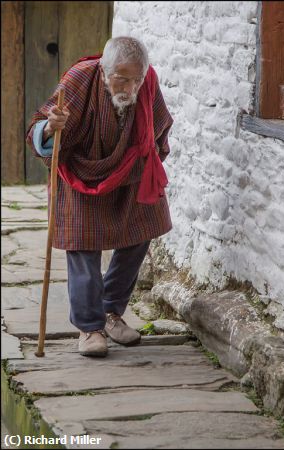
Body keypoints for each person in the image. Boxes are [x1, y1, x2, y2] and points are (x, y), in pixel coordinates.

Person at [26, 36, 174, 357]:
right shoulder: (80, 78)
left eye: (136, 79)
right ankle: (89, 327)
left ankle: (110, 311)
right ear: (104, 71)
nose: (130, 88)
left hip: (129, 173)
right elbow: (37, 127)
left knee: (141, 232)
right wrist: (51, 129)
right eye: (121, 78)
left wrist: (150, 155)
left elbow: (158, 124)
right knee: (83, 246)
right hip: (81, 174)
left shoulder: (147, 81)